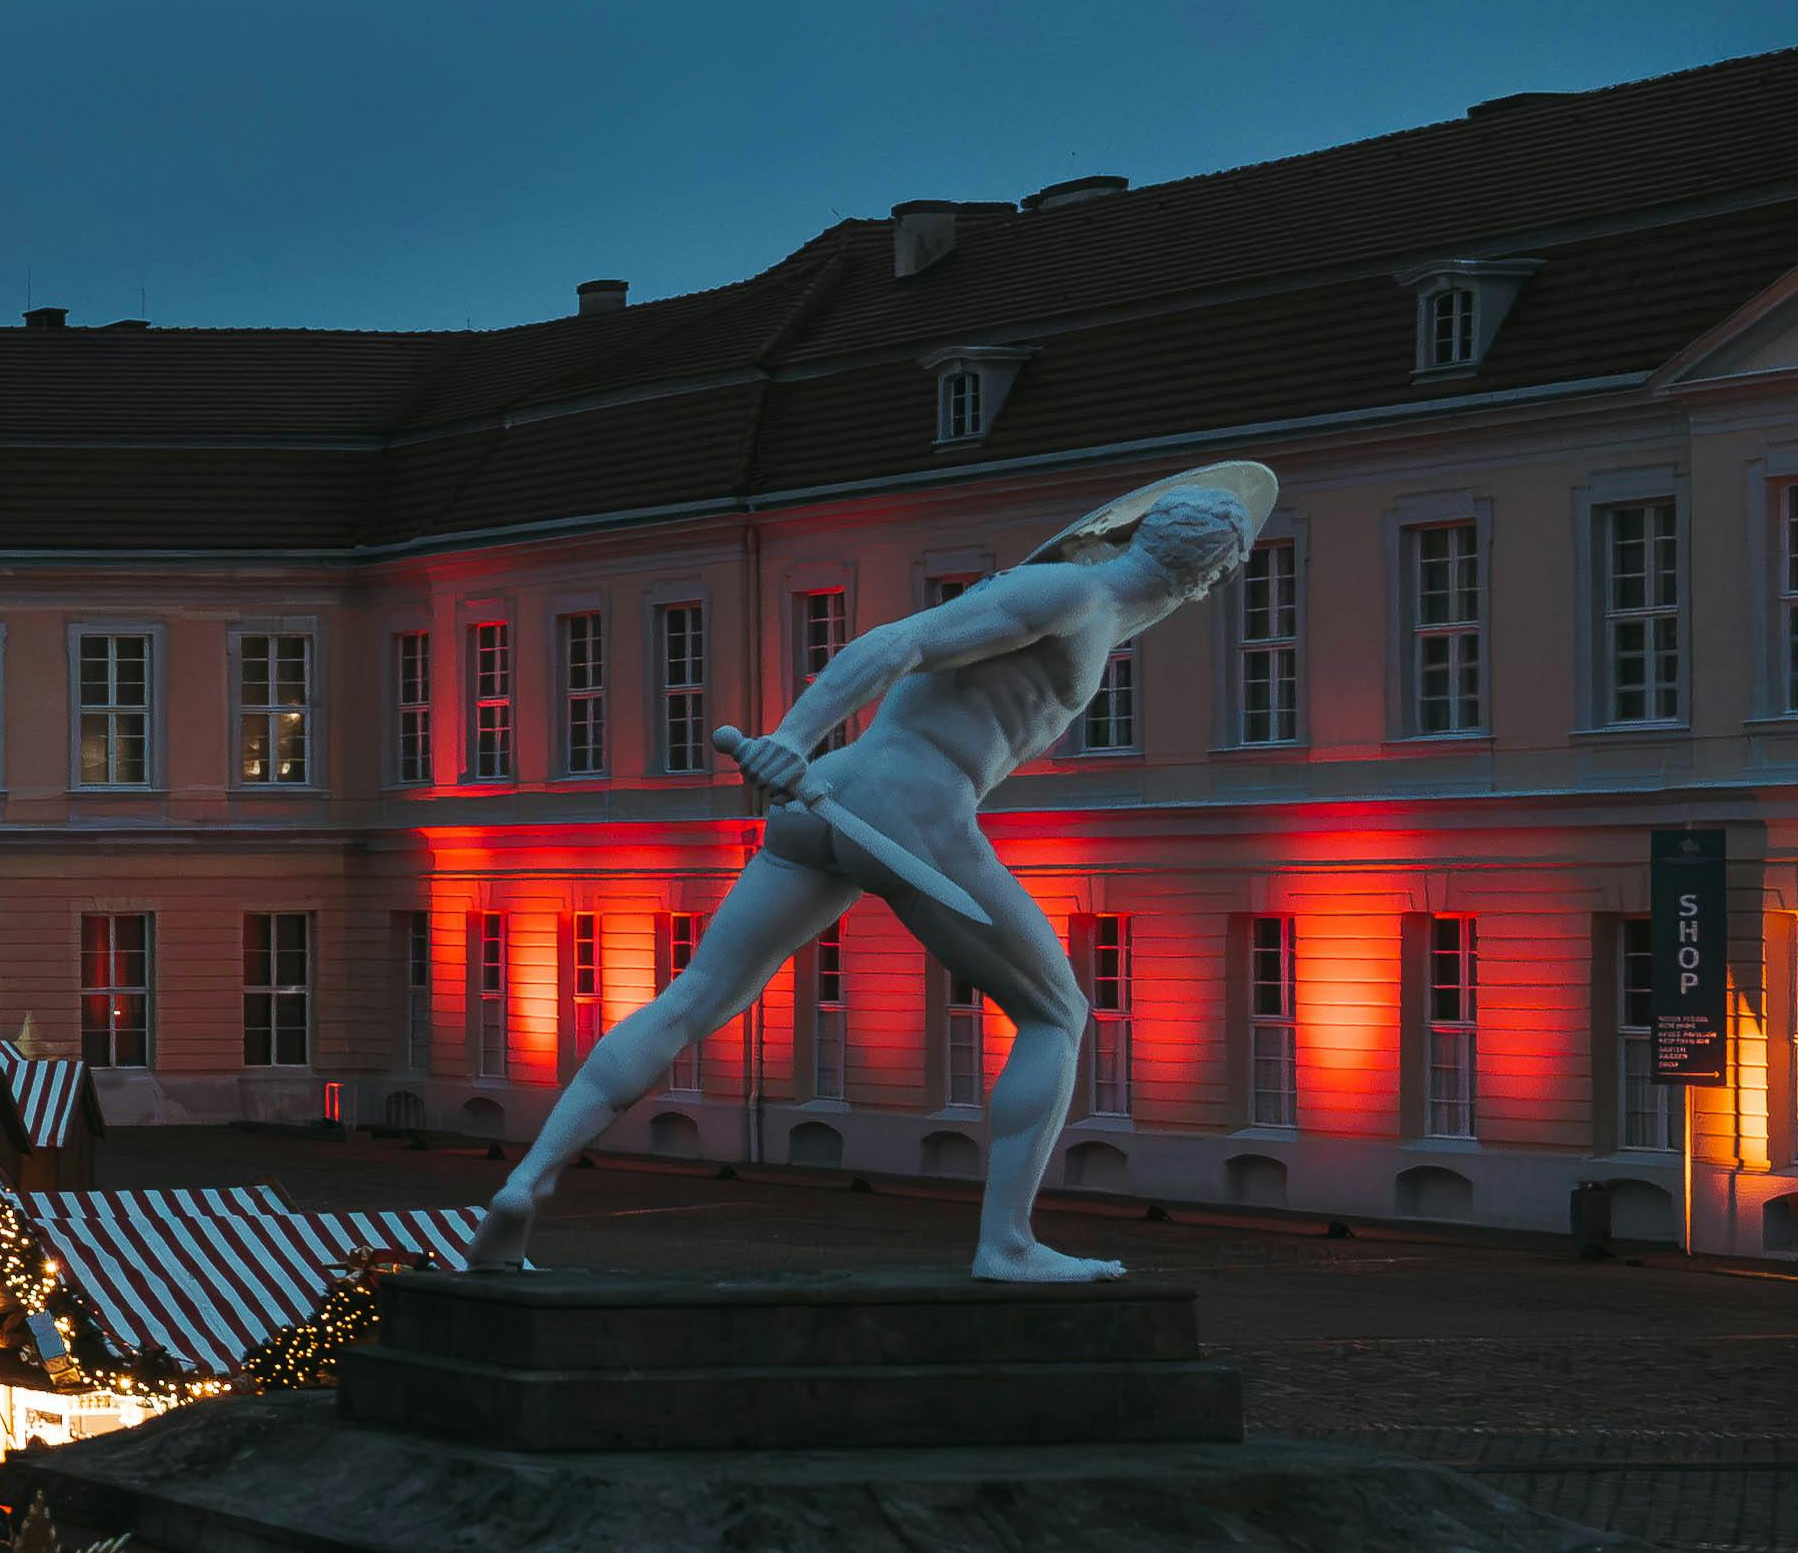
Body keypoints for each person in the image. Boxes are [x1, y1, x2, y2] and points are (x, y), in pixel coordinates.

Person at [465, 463, 1268, 1288]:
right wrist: (791, 735)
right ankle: (1007, 1244)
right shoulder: (1069, 594)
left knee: (693, 997)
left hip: (832, 801)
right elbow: (896, 643)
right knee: (1056, 1013)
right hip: (912, 809)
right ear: (1209, 570)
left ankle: (526, 1181)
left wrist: (804, 750)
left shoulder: (1093, 608)